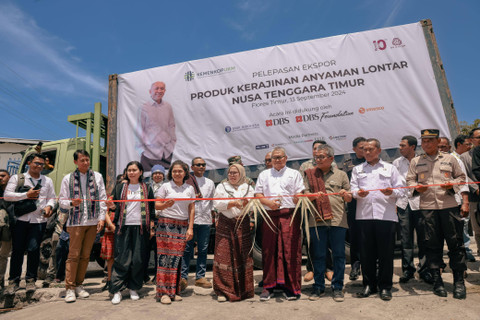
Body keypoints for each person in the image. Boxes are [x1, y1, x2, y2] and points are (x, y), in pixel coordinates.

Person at [406, 129, 468, 299]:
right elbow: (410, 181)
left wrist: (452, 184)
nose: (426, 144)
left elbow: (462, 178)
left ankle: (458, 282)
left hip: (449, 206)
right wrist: (416, 187)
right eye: (423, 141)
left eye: (429, 141)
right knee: (432, 245)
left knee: (456, 244)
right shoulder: (416, 161)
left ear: (437, 141)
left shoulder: (450, 158)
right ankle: (437, 281)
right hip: (427, 208)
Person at [351, 138, 404, 301]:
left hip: (385, 216)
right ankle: (369, 285)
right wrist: (357, 193)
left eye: (370, 149)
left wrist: (392, 192)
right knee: (367, 254)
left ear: (379, 150)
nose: (366, 152)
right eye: (364, 149)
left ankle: (385, 286)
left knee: (386, 254)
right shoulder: (357, 169)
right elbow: (352, 189)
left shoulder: (390, 168)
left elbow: (402, 190)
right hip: (364, 216)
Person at [255, 147, 305, 301]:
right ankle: (268, 287)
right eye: (273, 158)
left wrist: (298, 198)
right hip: (269, 216)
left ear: (286, 158)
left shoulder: (294, 174)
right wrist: (269, 203)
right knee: (270, 251)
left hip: (289, 215)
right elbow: (257, 194)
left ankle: (291, 287)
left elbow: (299, 193)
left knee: (290, 250)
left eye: (279, 157)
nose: (276, 160)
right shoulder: (264, 174)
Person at [304, 145, 352, 302]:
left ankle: (338, 287)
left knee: (339, 255)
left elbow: (350, 198)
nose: (317, 160)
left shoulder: (341, 174)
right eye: (316, 157)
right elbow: (304, 196)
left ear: (331, 158)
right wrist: (313, 196)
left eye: (321, 157)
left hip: (337, 219)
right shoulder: (310, 175)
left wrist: (346, 195)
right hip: (316, 221)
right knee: (319, 255)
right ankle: (318, 287)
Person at [58, 150, 107, 302]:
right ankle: (70, 288)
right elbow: (62, 201)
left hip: (92, 222)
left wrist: (101, 218)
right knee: (73, 255)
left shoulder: (97, 176)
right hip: (76, 221)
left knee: (86, 256)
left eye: (87, 160)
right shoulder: (68, 178)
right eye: (82, 160)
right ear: (75, 162)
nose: (85, 163)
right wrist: (72, 203)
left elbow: (103, 198)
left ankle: (79, 285)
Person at [4, 153, 56, 295]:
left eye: (41, 164)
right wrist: (26, 195)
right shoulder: (17, 178)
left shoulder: (47, 181)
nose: (39, 166)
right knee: (18, 251)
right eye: (36, 163)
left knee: (34, 250)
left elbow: (52, 198)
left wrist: (49, 207)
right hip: (20, 220)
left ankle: (30, 280)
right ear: (28, 163)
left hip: (39, 220)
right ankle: (13, 282)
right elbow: (7, 195)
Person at [108, 161, 155, 305]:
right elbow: (114, 206)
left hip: (141, 227)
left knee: (138, 259)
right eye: (129, 170)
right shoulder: (120, 187)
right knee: (121, 259)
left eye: (134, 170)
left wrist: (152, 225)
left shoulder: (146, 187)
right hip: (123, 227)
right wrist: (112, 206)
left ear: (141, 172)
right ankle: (117, 290)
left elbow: (151, 208)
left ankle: (134, 288)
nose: (131, 172)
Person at [393, 136, 432, 284]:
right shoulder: (397, 163)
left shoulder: (423, 160)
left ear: (413, 147)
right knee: (405, 239)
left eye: (403, 145)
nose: (400, 148)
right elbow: (395, 184)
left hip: (421, 203)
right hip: (404, 204)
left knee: (423, 238)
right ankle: (408, 270)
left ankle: (424, 270)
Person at [212, 164, 255, 302]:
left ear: (241, 173)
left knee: (243, 255)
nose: (232, 175)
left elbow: (253, 205)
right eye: (230, 173)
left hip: (242, 223)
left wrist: (244, 204)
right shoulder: (221, 186)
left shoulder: (248, 187)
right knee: (223, 254)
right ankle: (222, 291)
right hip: (225, 223)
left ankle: (244, 290)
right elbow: (217, 204)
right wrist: (232, 204)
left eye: (235, 173)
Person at [155, 160, 195, 304]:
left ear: (185, 173)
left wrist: (190, 227)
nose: (177, 173)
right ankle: (163, 293)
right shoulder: (165, 187)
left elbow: (191, 209)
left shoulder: (189, 188)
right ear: (171, 173)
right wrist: (165, 204)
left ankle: (174, 291)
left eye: (180, 171)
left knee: (177, 259)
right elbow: (157, 204)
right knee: (164, 259)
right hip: (165, 224)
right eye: (174, 171)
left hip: (182, 226)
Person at [299, 140, 335, 283]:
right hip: (311, 207)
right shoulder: (305, 166)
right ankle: (311, 269)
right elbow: (302, 186)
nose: (316, 151)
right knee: (311, 240)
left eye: (320, 149)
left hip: (327, 207)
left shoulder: (331, 164)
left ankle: (329, 268)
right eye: (314, 149)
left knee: (328, 240)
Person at [181, 157, 215, 290]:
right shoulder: (187, 182)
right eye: (198, 165)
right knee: (187, 250)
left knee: (203, 249)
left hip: (205, 220)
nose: (201, 167)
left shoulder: (210, 183)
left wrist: (213, 216)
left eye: (203, 165)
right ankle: (183, 278)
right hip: (190, 221)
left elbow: (212, 202)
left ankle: (200, 277)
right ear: (192, 167)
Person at [137, 81, 176, 170]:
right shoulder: (144, 107)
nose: (159, 91)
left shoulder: (168, 107)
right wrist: (142, 150)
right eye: (156, 88)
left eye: (162, 89)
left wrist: (172, 144)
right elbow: (140, 129)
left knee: (165, 181)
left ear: (165, 91)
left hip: (165, 153)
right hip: (149, 154)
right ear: (150, 91)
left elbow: (171, 126)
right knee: (147, 180)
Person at [343, 136, 366, 281]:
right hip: (354, 204)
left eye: (367, 148)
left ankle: (371, 265)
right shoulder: (348, 164)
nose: (365, 150)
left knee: (370, 236)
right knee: (355, 236)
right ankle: (355, 266)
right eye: (361, 148)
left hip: (370, 203)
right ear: (354, 149)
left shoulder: (373, 163)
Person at [144, 164, 165, 284]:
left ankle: (158, 275)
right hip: (148, 221)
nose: (157, 175)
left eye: (160, 173)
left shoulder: (167, 187)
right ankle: (144, 275)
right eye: (155, 173)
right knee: (146, 248)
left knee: (159, 249)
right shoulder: (147, 187)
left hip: (161, 220)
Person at [461, 128, 480, 257]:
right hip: (475, 197)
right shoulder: (465, 157)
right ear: (471, 140)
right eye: (478, 137)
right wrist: (476, 188)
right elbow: (464, 176)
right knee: (477, 229)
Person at [0, 169, 12, 292]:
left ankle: (1, 280)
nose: (0, 178)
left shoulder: (13, 191)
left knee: (3, 255)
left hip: (8, 230)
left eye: (3, 176)